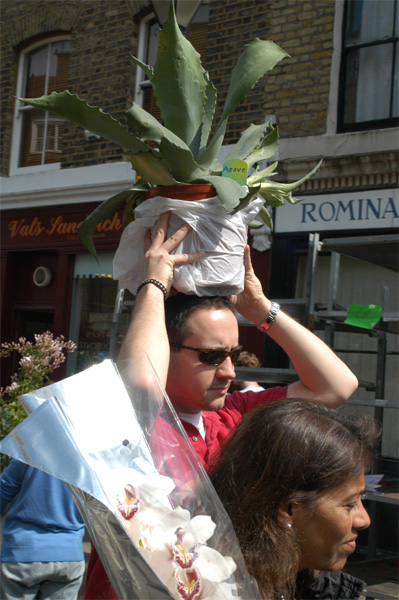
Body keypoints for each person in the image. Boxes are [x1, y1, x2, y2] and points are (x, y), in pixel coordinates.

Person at [84, 213, 359, 598]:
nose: (230, 371)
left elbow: (337, 386)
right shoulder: (129, 420)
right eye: (212, 356)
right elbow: (143, 382)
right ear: (166, 347)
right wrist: (152, 288)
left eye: (233, 354)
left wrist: (262, 310)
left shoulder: (233, 415)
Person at [209, 398, 380, 600]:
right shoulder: (206, 589)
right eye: (349, 504)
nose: (364, 520)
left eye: (361, 499)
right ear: (288, 510)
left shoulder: (311, 585)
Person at [1, 459, 86, 600]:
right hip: (70, 554)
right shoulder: (89, 455)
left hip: (24, 552)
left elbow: (4, 488)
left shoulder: (32, 444)